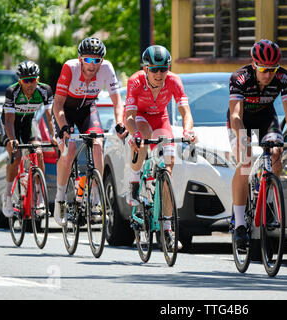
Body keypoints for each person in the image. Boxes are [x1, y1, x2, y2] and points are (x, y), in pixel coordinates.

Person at [228, 39, 287, 249]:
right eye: (264, 69)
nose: (268, 75)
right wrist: (242, 136)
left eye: (272, 70)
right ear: (254, 65)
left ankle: (268, 203)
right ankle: (238, 223)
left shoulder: (283, 77)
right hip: (241, 120)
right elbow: (236, 114)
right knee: (245, 162)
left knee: (276, 152)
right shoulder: (240, 78)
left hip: (266, 117)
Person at [124, 45, 196, 249]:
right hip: (139, 118)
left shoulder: (173, 80)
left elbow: (185, 112)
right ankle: (135, 179)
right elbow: (129, 116)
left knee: (168, 170)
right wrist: (135, 134)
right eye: (154, 69)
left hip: (161, 120)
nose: (158, 74)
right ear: (145, 69)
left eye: (163, 69)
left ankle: (167, 229)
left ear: (168, 68)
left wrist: (188, 131)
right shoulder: (135, 81)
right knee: (144, 137)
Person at [52, 37, 126, 226]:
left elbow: (118, 102)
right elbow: (58, 103)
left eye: (97, 60)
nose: (92, 65)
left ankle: (95, 197)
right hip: (65, 112)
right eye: (88, 59)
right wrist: (63, 127)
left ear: (102, 60)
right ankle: (60, 197)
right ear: (80, 59)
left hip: (87, 110)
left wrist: (120, 123)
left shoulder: (107, 68)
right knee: (67, 151)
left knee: (98, 143)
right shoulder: (70, 68)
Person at [1, 60, 55, 217]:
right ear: (20, 81)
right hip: (10, 124)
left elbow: (50, 117)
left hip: (29, 123)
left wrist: (54, 136)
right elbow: (9, 121)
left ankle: (39, 196)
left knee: (38, 153)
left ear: (37, 79)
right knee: (16, 156)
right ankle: (8, 196)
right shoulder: (12, 92)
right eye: (26, 80)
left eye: (33, 79)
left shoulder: (45, 90)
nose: (30, 84)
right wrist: (12, 141)